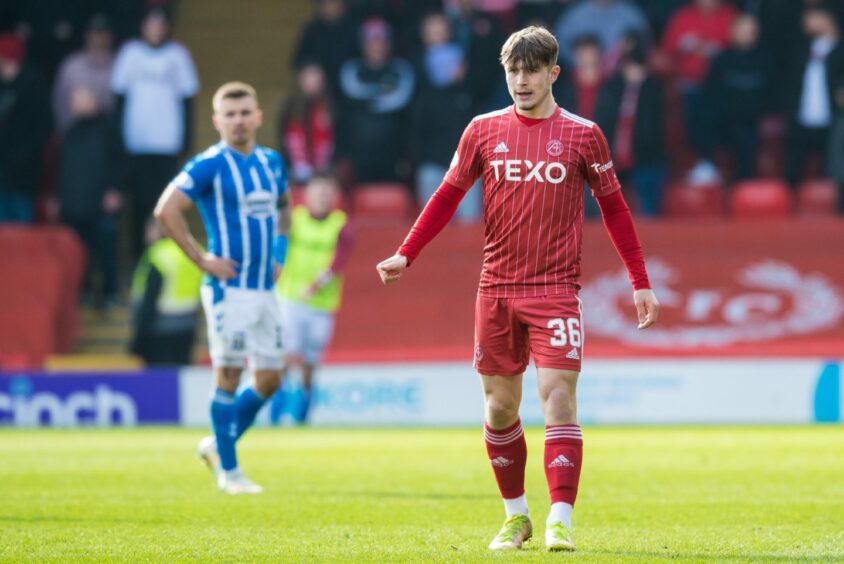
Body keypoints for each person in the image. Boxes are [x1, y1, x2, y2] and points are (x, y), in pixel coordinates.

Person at [376, 26, 659, 552]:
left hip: (555, 290)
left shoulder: (583, 135)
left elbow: (615, 209)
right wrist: (406, 252)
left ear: (553, 73)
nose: (521, 81)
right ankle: (516, 516)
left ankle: (560, 517)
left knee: (557, 400)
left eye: (532, 71)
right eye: (513, 71)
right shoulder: (482, 130)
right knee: (500, 409)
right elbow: (446, 195)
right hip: (497, 288)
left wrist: (639, 281)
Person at [154, 82, 291, 495]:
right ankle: (230, 473)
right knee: (229, 373)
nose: (238, 121)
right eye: (229, 115)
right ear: (217, 121)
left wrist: (280, 252)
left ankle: (217, 445)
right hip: (228, 289)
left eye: (245, 112)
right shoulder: (209, 164)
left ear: (258, 117)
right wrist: (201, 259)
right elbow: (167, 210)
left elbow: (285, 208)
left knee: (269, 379)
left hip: (264, 289)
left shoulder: (271, 161)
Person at [113, 7, 199, 261]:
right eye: (151, 24)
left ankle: (165, 263)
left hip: (167, 144)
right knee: (137, 207)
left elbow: (187, 100)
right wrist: (119, 141)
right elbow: (119, 98)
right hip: (136, 143)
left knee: (165, 207)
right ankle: (140, 263)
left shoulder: (178, 55)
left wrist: (185, 140)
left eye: (160, 24)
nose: (155, 29)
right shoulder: (129, 53)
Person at [270, 173, 353, 425]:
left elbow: (340, 260)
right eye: (318, 191)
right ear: (307, 194)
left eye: (328, 191)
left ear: (334, 196)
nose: (322, 196)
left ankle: (301, 418)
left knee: (309, 364)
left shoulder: (341, 225)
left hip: (322, 305)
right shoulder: (294, 220)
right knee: (286, 356)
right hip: (290, 299)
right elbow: (278, 246)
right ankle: (276, 416)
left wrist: (318, 283)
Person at [55, 86, 122, 307]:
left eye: (78, 98)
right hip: (74, 204)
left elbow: (120, 162)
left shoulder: (108, 129)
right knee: (77, 250)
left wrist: (114, 190)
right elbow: (62, 167)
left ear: (93, 101)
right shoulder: (71, 130)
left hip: (100, 204)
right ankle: (82, 291)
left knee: (106, 251)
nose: (73, 103)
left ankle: (109, 293)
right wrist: (58, 197)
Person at [129, 217, 203, 365]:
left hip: (160, 328)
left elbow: (150, 297)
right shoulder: (196, 251)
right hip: (188, 325)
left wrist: (139, 335)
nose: (146, 234)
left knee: (158, 380)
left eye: (149, 229)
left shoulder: (158, 254)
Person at [0, 33, 52, 223]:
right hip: (2, 171)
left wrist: (23, 156)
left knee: (23, 226)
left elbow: (44, 128)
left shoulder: (33, 86)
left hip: (24, 174)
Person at [52, 13, 116, 136]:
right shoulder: (71, 65)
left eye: (103, 33)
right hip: (75, 136)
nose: (98, 38)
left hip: (107, 139)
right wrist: (68, 132)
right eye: (95, 33)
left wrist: (96, 108)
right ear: (87, 35)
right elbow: (58, 102)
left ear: (110, 36)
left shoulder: (119, 65)